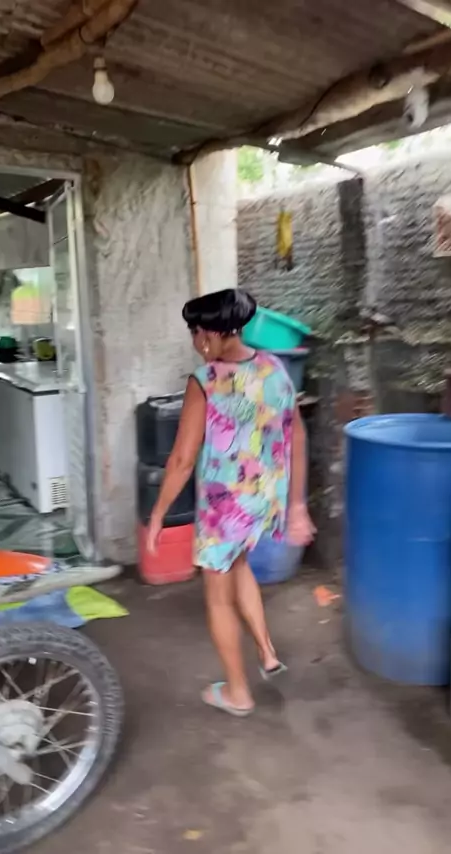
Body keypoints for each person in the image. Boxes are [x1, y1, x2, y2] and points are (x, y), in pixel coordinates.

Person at [147, 289, 314, 716]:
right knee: (239, 565)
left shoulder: (205, 381)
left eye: (194, 333)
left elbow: (182, 460)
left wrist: (158, 515)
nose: (194, 342)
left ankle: (238, 692)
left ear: (207, 334)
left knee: (217, 596)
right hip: (264, 497)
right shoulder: (273, 367)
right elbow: (296, 435)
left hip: (224, 509)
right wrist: (296, 504)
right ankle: (267, 651)